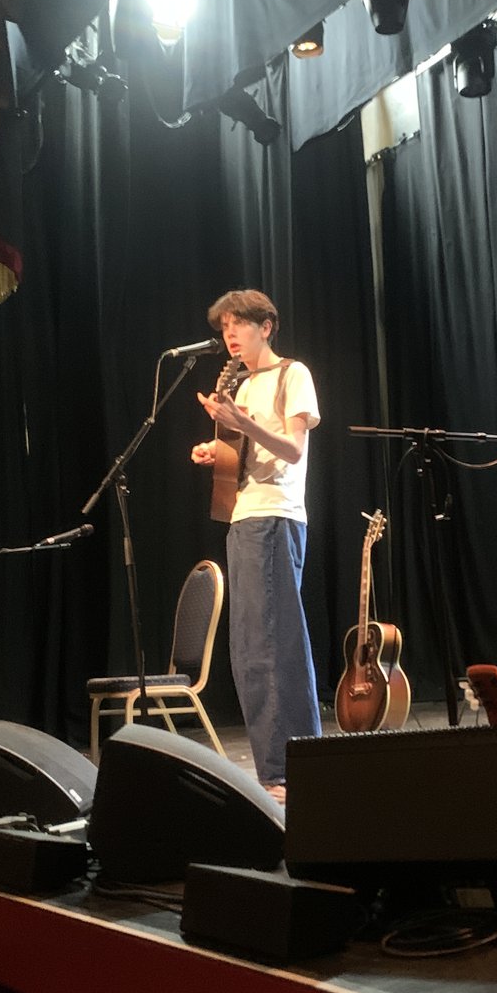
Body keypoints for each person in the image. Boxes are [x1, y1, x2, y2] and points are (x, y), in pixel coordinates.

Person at [191, 289, 322, 801]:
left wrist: (241, 422)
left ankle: (287, 769)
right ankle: (282, 766)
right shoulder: (239, 383)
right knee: (249, 646)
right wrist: (216, 449)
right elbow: (242, 454)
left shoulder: (293, 374)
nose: (230, 334)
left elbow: (292, 449)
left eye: (239, 324)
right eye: (225, 327)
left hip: (274, 515)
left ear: (266, 326)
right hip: (243, 517)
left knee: (271, 644)